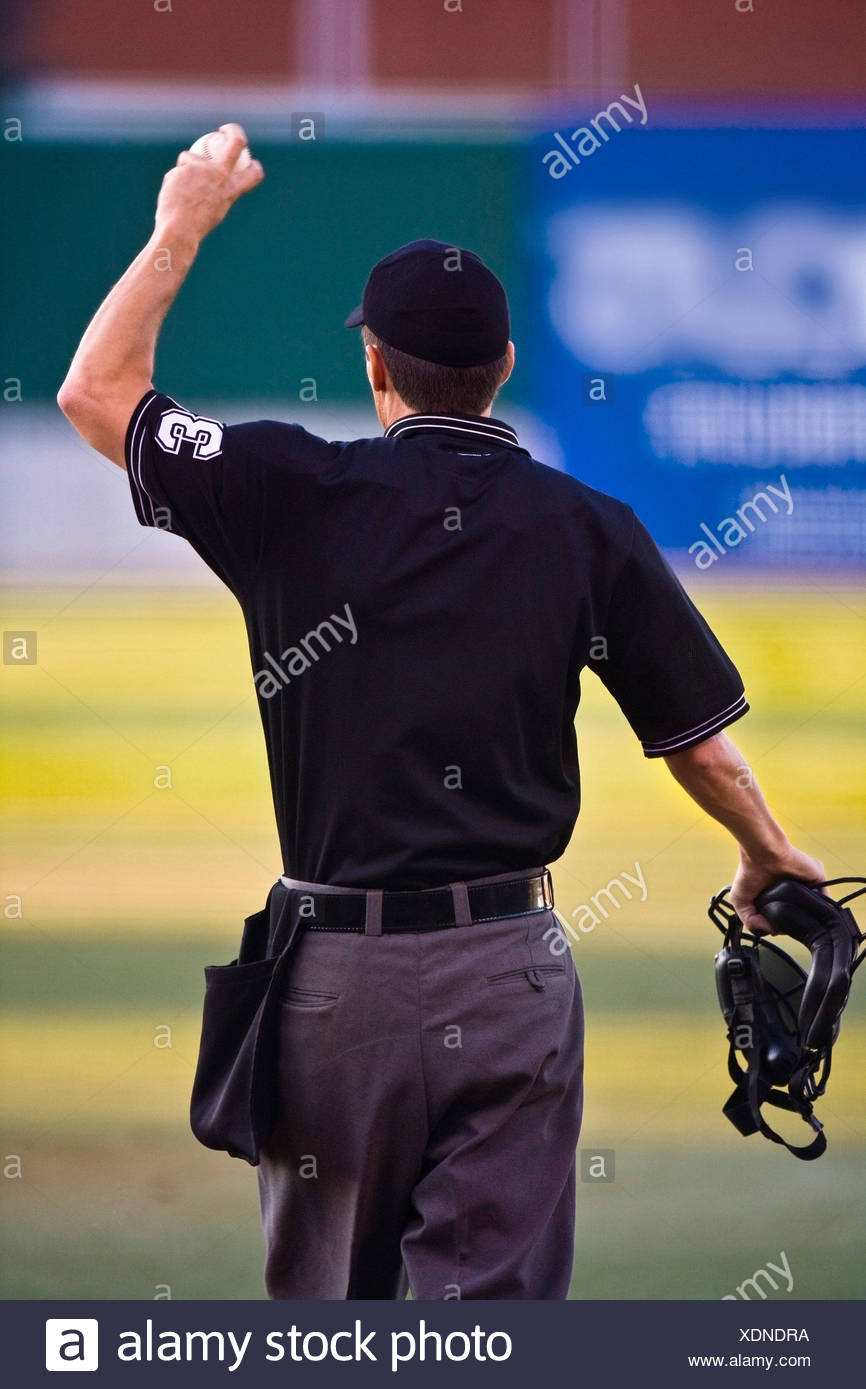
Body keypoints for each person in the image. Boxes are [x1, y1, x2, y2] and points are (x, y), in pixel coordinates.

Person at [58, 125, 824, 1300]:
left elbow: (97, 391)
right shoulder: (587, 528)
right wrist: (765, 851)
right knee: (491, 1329)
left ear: (376, 368)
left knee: (333, 1327)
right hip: (506, 974)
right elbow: (697, 743)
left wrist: (183, 223)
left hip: (327, 985)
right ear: (504, 363)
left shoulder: (288, 488)